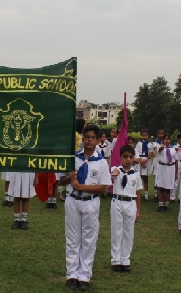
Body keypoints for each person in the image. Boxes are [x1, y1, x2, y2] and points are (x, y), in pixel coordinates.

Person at [61, 124, 111, 291]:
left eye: (93, 137)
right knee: (72, 237)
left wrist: (80, 186)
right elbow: (60, 181)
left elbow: (102, 187)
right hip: (73, 200)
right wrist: (70, 177)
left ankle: (84, 275)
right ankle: (72, 274)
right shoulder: (73, 158)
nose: (89, 140)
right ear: (82, 138)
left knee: (88, 239)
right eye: (87, 137)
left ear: (97, 140)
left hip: (91, 201)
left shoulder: (101, 162)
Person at [109, 144, 142, 272]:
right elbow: (113, 173)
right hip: (117, 201)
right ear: (120, 158)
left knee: (129, 232)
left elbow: (138, 193)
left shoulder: (136, 174)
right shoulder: (116, 169)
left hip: (130, 203)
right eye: (125, 157)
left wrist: (138, 210)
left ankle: (125, 259)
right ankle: (116, 259)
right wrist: (115, 172)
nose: (128, 159)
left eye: (130, 157)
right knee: (117, 231)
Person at [155, 134, 177, 212]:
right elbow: (158, 151)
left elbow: (176, 160)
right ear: (162, 140)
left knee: (168, 188)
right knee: (161, 187)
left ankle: (166, 205)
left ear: (170, 140)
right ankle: (161, 205)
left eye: (168, 139)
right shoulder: (159, 147)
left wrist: (176, 173)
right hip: (162, 168)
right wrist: (162, 147)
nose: (166, 140)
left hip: (170, 168)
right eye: (165, 139)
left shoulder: (173, 149)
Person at [134, 130, 154, 201]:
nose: (144, 137)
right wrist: (141, 161)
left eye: (146, 135)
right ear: (141, 136)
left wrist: (146, 160)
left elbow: (151, 153)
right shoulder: (139, 143)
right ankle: (137, 192)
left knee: (145, 178)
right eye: (143, 135)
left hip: (147, 160)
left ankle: (146, 194)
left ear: (148, 136)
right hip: (140, 160)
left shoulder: (150, 144)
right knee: (138, 177)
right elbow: (136, 152)